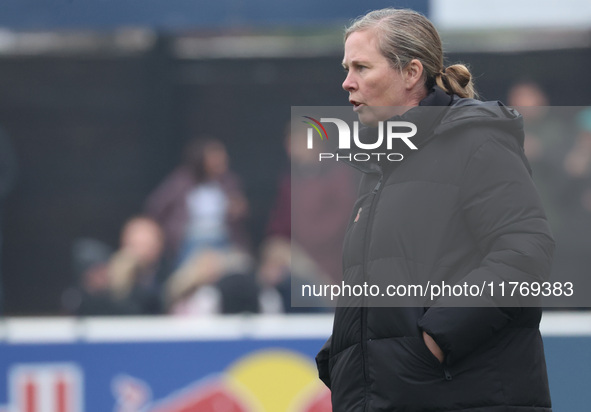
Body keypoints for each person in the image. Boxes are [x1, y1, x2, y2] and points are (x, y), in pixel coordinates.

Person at [315, 8, 555, 412]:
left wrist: (433, 342)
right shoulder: (380, 164)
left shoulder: (478, 141)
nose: (347, 82)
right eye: (346, 67)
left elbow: (526, 253)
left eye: (361, 67)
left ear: (411, 73)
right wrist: (341, 355)